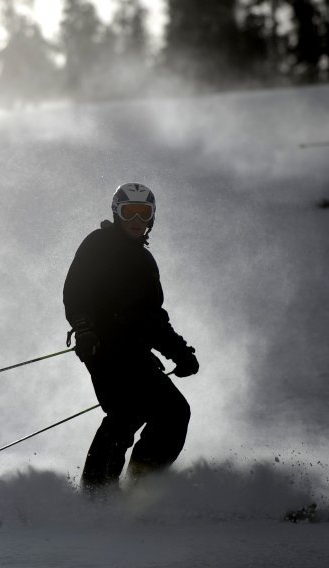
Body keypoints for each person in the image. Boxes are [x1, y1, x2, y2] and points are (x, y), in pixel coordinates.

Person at [63, 182, 199, 496]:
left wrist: (179, 352)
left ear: (152, 217)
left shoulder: (145, 261)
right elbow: (76, 290)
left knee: (174, 413)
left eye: (144, 212)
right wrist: (84, 328)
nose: (137, 219)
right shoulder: (99, 244)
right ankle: (96, 496)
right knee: (126, 412)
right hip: (102, 347)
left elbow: (153, 318)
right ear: (117, 213)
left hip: (135, 351)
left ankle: (140, 490)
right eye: (129, 212)